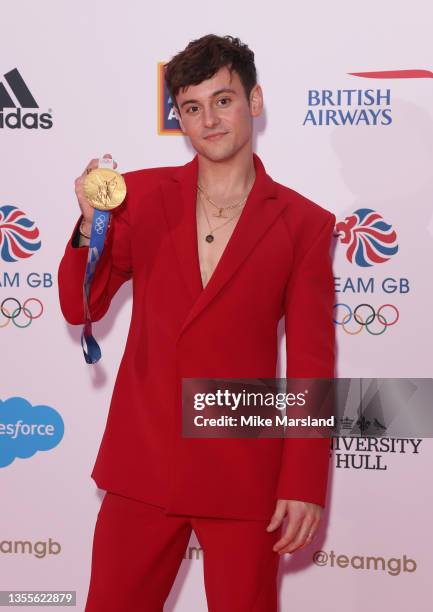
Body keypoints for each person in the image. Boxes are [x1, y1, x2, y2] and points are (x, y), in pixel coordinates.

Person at [58, 34, 336, 612]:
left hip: (243, 466)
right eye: (192, 107)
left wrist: (303, 483)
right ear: (179, 118)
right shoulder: (140, 197)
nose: (209, 119)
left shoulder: (305, 224)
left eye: (223, 100)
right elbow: (79, 307)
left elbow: (312, 363)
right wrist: (90, 229)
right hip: (144, 462)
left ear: (254, 101)